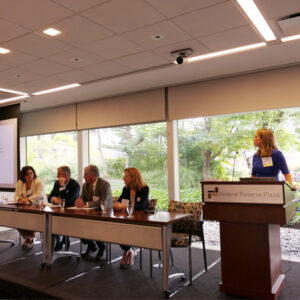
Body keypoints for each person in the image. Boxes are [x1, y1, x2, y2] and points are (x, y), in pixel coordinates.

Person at [75, 165, 112, 260]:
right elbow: (82, 198)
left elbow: (103, 202)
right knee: (77, 223)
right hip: (89, 213)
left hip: (104, 214)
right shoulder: (85, 185)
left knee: (94, 225)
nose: (83, 177)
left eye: (85, 175)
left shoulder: (105, 184)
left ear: (92, 175)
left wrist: (86, 204)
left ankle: (102, 246)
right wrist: (79, 201)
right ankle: (91, 245)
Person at [118, 167, 149, 268]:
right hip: (127, 219)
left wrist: (125, 206)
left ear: (133, 177)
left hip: (140, 220)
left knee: (124, 229)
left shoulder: (144, 189)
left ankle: (127, 251)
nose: (123, 178)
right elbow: (119, 201)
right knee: (117, 229)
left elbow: (142, 206)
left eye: (126, 176)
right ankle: (128, 250)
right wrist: (117, 205)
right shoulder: (126, 189)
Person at [48, 166, 80, 251]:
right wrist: (53, 199)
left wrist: (62, 186)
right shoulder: (56, 183)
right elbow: (50, 196)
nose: (57, 176)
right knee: (51, 221)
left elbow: (68, 200)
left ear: (65, 175)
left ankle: (62, 240)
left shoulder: (75, 185)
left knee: (59, 221)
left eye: (59, 174)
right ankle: (60, 240)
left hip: (71, 213)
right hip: (59, 211)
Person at [14, 166, 46, 249]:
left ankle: (30, 237)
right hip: (25, 207)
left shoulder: (39, 182)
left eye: (31, 173)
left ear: (34, 173)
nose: (29, 175)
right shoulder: (21, 182)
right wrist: (20, 199)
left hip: (39, 206)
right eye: (27, 174)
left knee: (29, 218)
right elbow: (16, 195)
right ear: (23, 175)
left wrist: (27, 199)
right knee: (15, 219)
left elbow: (39, 195)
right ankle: (29, 237)